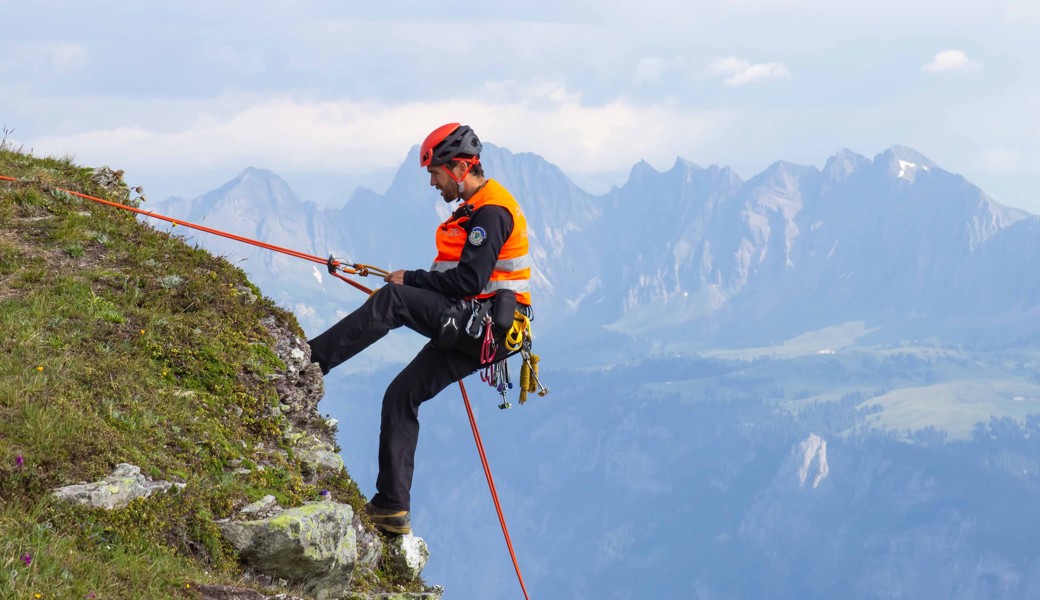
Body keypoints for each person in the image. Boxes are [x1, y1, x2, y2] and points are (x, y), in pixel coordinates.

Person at [307, 123, 532, 534]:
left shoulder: (492, 212)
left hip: (482, 326)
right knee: (400, 396)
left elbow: (468, 282)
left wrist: (410, 280)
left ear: (461, 168)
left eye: (436, 172)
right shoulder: (475, 208)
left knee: (392, 301)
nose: (432, 182)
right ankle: (392, 508)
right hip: (479, 327)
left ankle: (307, 363)